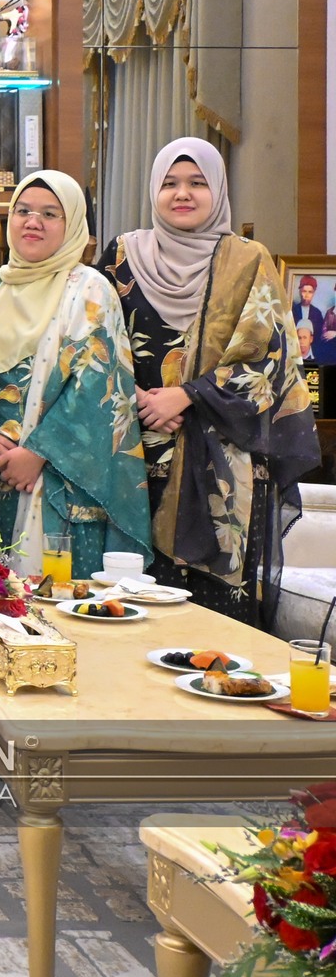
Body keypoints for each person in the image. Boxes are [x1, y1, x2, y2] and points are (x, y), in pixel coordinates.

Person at [99, 138, 318, 624]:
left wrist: (187, 395)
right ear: (153, 191)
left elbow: (271, 358)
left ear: (218, 190)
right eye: (170, 183)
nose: (183, 194)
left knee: (213, 629)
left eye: (197, 183)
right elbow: (93, 339)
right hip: (133, 457)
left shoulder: (249, 259)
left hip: (223, 465)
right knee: (129, 610)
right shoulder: (122, 257)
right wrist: (137, 398)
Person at [0, 171, 149, 580]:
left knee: (57, 601)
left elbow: (98, 387)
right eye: (23, 211)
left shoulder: (90, 290)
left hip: (59, 481)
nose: (32, 222)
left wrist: (37, 453)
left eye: (50, 214)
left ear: (72, 225)